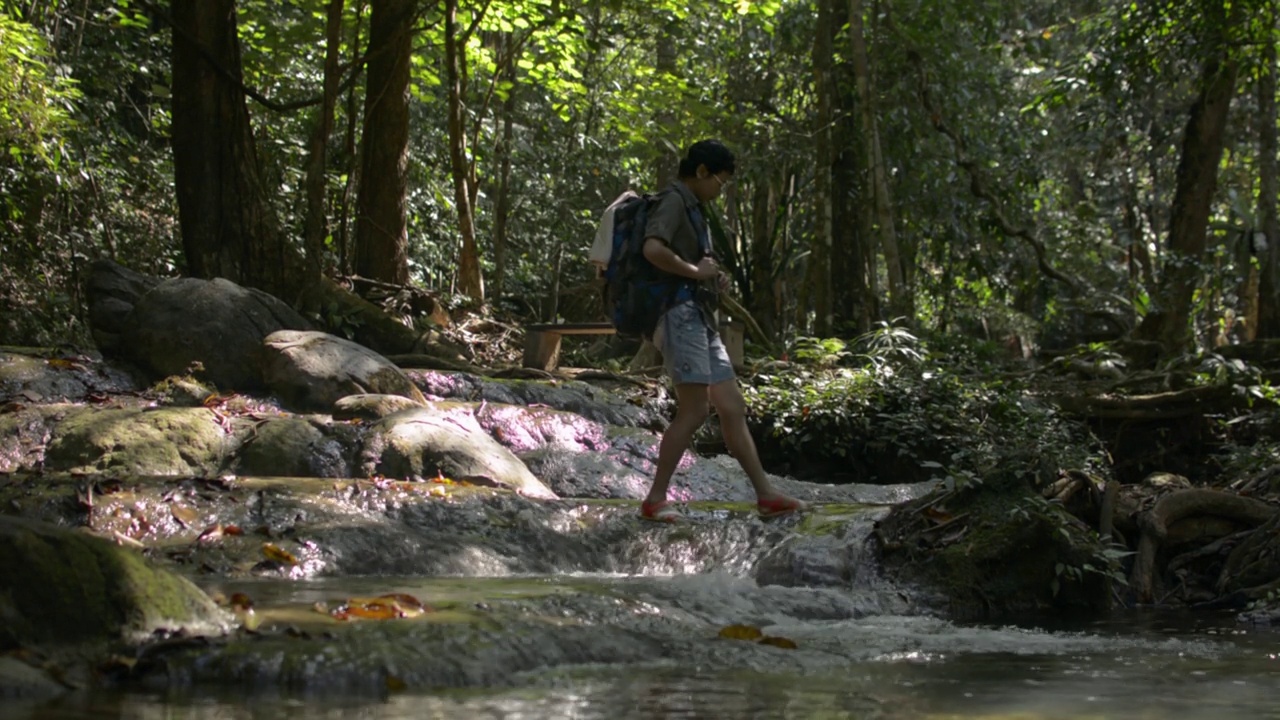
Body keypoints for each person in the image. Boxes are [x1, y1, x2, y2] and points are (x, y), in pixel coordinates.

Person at [638, 139, 807, 522]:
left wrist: (710, 279)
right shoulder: (674, 201)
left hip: (699, 315)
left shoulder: (692, 207)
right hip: (678, 315)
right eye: (720, 180)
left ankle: (765, 495)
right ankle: (655, 499)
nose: (720, 189)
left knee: (732, 406)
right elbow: (652, 249)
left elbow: (686, 261)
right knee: (695, 409)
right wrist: (696, 272)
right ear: (701, 172)